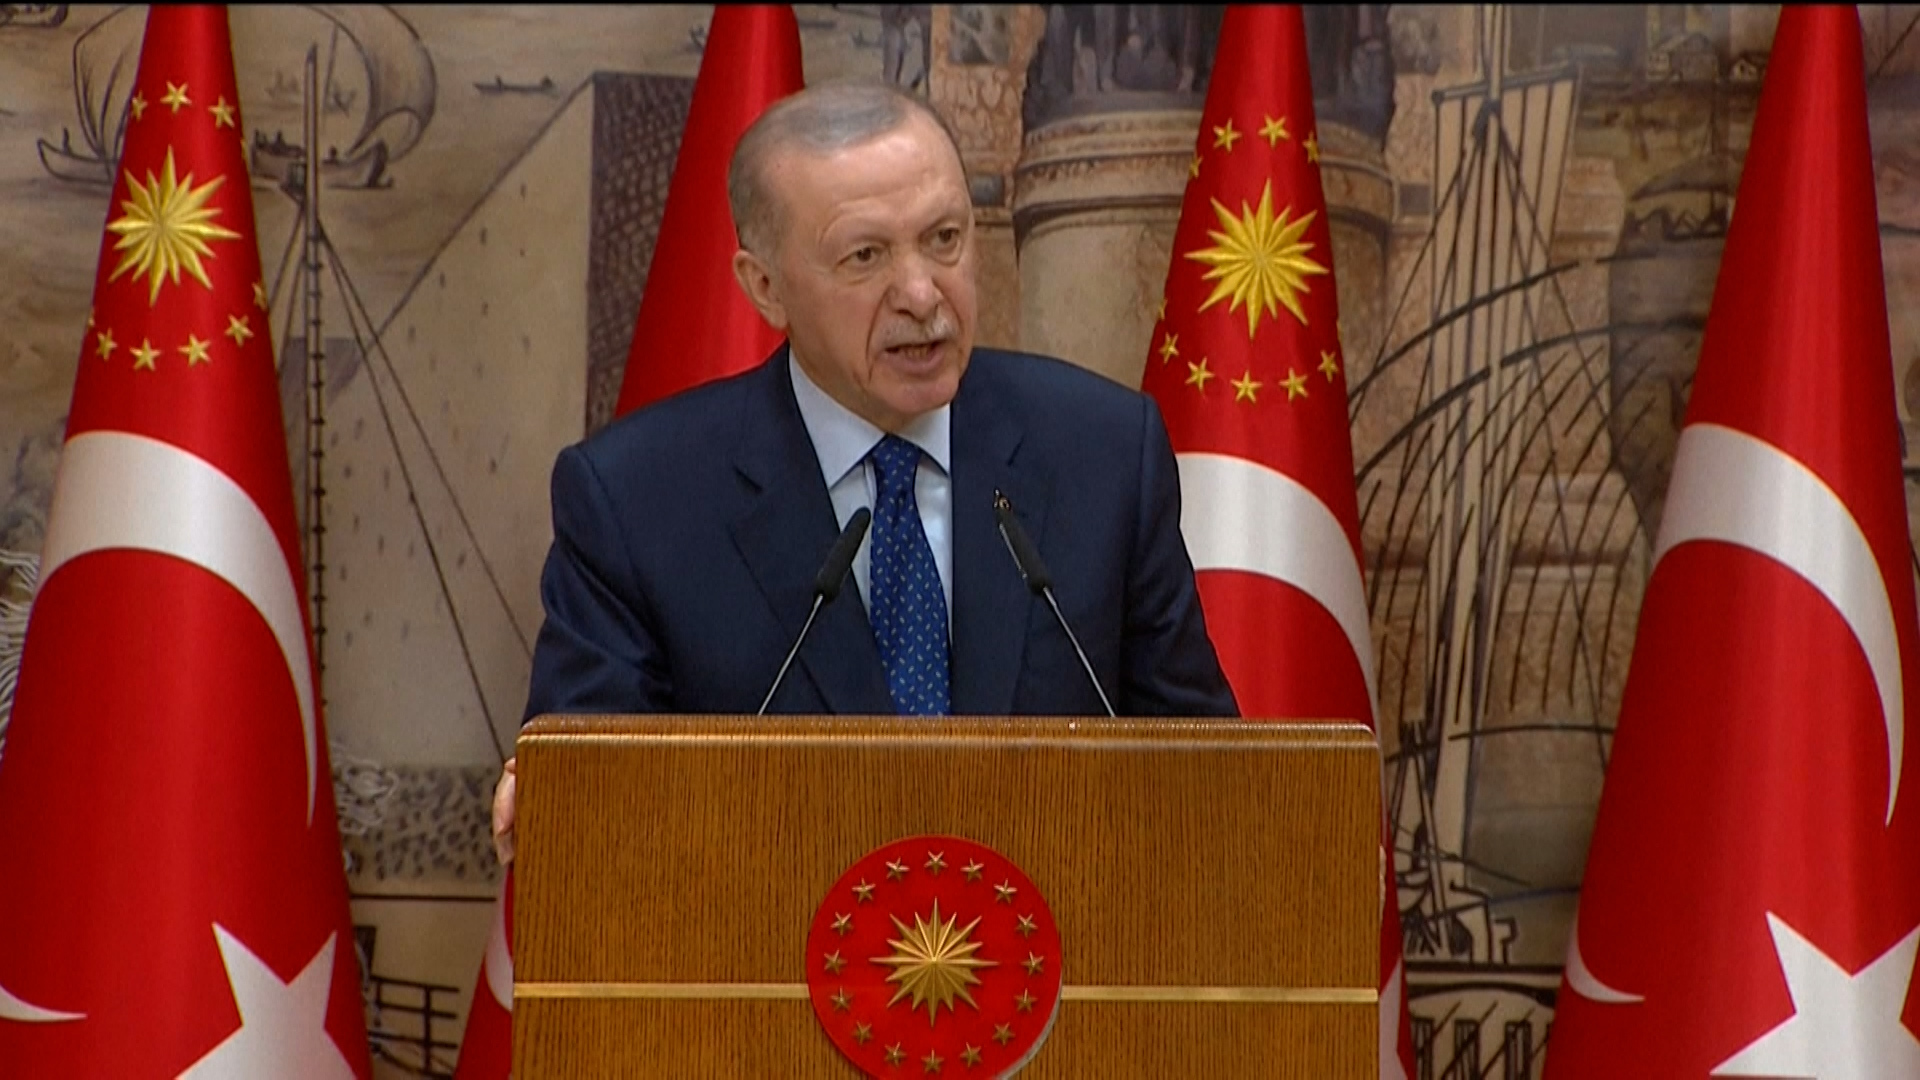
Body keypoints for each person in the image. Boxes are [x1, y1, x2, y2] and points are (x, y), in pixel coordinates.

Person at [491, 82, 1236, 864]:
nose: (921, 294)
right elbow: (593, 807)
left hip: (1053, 933)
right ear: (765, 287)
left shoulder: (1102, 453)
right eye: (865, 256)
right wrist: (563, 797)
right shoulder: (636, 500)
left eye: (944, 238)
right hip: (766, 935)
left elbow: (1207, 781)